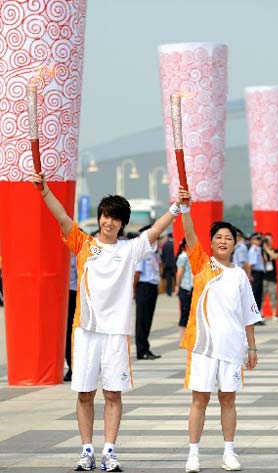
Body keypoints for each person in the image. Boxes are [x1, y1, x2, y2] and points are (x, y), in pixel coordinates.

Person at [32, 171, 181, 472]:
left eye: (114, 219)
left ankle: (109, 452)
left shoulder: (128, 250)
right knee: (85, 393)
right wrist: (44, 190)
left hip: (116, 333)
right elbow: (62, 218)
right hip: (86, 331)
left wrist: (176, 208)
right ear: (99, 217)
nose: (108, 222)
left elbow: (153, 233)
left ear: (122, 223)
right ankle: (87, 450)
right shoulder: (84, 245)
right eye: (104, 216)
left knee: (113, 393)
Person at [178, 187, 261, 473]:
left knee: (228, 399)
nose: (223, 241)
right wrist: (186, 208)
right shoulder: (202, 264)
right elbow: (189, 235)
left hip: (233, 347)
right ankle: (193, 454)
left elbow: (248, 315)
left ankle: (229, 452)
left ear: (235, 243)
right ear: (212, 243)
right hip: (203, 347)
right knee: (199, 399)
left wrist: (251, 347)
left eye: (228, 238)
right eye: (219, 238)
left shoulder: (239, 275)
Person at [134, 225, 161, 360]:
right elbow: (137, 272)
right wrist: (133, 290)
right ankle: (141, 350)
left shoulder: (153, 252)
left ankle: (146, 348)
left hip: (152, 287)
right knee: (142, 320)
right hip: (143, 287)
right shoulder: (142, 252)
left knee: (148, 320)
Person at [175, 238, 193, 339]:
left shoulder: (194, 255)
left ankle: (190, 337)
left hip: (193, 288)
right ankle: (183, 338)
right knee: (185, 313)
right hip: (185, 288)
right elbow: (179, 273)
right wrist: (178, 286)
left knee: (192, 314)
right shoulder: (183, 256)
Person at [64, 253, 78, 382]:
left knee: (73, 333)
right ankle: (71, 366)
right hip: (61, 295)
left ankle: (75, 367)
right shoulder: (59, 253)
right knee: (65, 334)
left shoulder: (80, 252)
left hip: (76, 294)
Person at [262, 233, 278, 322]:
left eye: (269, 239)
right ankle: (261, 314)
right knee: (261, 297)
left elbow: (274, 256)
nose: (267, 241)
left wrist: (267, 248)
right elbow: (264, 259)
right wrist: (264, 248)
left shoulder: (275, 250)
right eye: (266, 239)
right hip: (263, 277)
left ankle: (275, 314)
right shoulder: (261, 251)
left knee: (274, 296)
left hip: (272, 277)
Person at [248, 233, 265, 324]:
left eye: (260, 239)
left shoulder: (258, 249)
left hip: (259, 273)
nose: (259, 241)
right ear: (252, 240)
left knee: (258, 295)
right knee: (255, 296)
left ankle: (257, 317)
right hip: (256, 273)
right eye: (257, 239)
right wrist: (250, 275)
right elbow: (251, 264)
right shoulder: (253, 250)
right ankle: (254, 317)